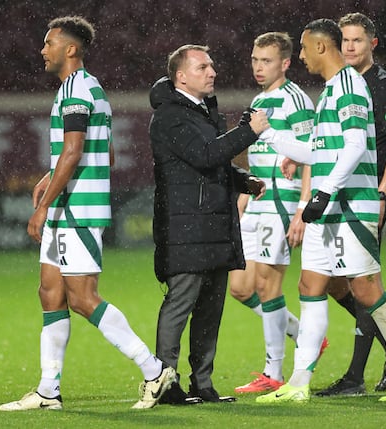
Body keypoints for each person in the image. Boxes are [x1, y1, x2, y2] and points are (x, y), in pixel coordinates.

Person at [0, 16, 175, 412]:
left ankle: (153, 370)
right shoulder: (79, 89)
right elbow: (104, 152)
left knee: (82, 298)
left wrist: (43, 207)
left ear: (70, 49)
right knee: (51, 292)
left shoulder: (78, 89)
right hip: (67, 206)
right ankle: (48, 391)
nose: (42, 50)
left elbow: (76, 150)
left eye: (49, 43)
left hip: (77, 211)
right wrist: (50, 176)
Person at [255, 18, 386, 403]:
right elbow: (317, 151)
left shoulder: (350, 85)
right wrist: (266, 133)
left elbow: (351, 147)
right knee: (310, 286)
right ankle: (298, 383)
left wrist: (323, 192)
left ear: (319, 47)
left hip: (350, 207)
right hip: (329, 208)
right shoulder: (332, 90)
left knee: (367, 290)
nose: (299, 56)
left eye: (302, 48)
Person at [149, 44, 270, 404]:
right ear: (181, 76)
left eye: (212, 66)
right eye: (202, 67)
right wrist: (248, 131)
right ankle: (166, 383)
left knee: (210, 309)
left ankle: (203, 384)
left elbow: (207, 163)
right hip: (186, 228)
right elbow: (203, 155)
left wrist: (240, 179)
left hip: (212, 225)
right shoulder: (170, 116)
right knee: (181, 303)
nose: (212, 72)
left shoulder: (202, 112)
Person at [315, 12, 386, 397]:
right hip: (341, 197)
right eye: (346, 40)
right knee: (333, 282)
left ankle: (356, 376)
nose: (351, 46)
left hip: (364, 197)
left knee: (363, 284)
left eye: (358, 40)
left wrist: (384, 192)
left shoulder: (381, 85)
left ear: (373, 43)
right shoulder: (340, 83)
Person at [228, 32, 320, 394]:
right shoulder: (257, 100)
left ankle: (273, 373)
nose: (258, 67)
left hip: (282, 203)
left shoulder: (296, 100)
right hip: (257, 203)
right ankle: (302, 334)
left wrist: (302, 209)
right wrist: (244, 193)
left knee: (267, 286)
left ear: (285, 63)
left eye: (266, 61)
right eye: (254, 60)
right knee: (239, 287)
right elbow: (254, 150)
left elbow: (315, 151)